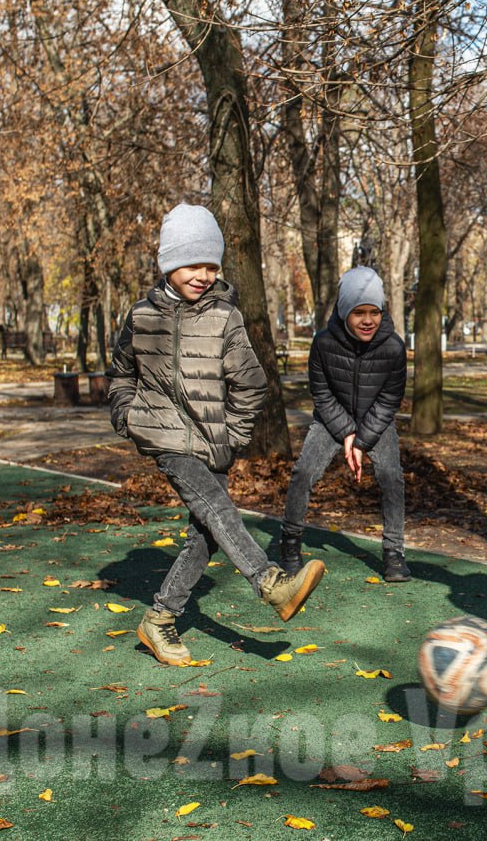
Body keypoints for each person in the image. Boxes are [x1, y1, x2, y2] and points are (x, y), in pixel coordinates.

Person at [107, 203, 326, 666]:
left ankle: (160, 619)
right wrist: (127, 415)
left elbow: (251, 383)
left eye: (211, 264)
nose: (204, 274)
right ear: (169, 263)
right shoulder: (142, 316)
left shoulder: (226, 318)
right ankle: (269, 583)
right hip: (166, 439)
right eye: (193, 264)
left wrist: (233, 437)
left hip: (212, 441)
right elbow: (121, 372)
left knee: (205, 536)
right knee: (217, 507)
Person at [278, 266, 409, 582]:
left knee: (392, 476)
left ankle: (394, 553)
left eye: (374, 312)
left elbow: (390, 399)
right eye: (359, 312)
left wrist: (362, 440)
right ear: (344, 311)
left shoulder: (393, 347)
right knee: (303, 472)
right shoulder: (323, 343)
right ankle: (289, 545)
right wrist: (346, 432)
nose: (368, 320)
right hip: (330, 419)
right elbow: (320, 393)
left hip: (376, 422)